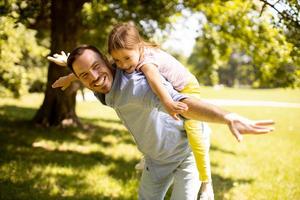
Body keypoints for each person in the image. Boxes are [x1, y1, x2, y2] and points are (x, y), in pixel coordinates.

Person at [48, 45, 274, 200]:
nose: (94, 77)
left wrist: (226, 117)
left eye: (97, 67)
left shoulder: (139, 87)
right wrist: (70, 70)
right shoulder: (105, 87)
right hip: (155, 161)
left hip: (185, 155)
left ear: (107, 62)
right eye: (84, 75)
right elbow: (88, 70)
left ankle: (206, 185)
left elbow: (183, 103)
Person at [107, 22, 217, 197]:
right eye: (118, 60)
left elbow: (154, 80)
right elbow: (101, 67)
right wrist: (70, 71)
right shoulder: (128, 57)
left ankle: (206, 183)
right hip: (173, 91)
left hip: (187, 88)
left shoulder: (147, 62)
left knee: (195, 133)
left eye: (127, 58)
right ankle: (152, 156)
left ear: (139, 47)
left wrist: (167, 102)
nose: (122, 65)